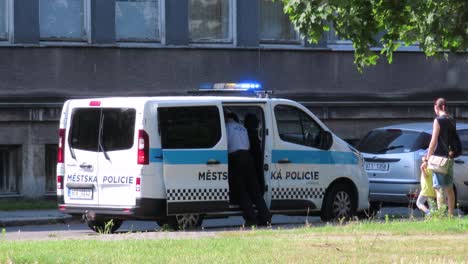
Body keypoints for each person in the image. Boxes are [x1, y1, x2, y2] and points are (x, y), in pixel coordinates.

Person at [225, 110, 271, 226]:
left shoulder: (226, 127)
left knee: (241, 191)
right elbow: (248, 145)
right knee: (255, 190)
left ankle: (251, 219)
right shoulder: (242, 128)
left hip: (236, 158)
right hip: (247, 157)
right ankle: (266, 217)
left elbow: (224, 144)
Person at [421, 98, 456, 216]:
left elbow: (433, 141)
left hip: (439, 159)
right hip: (450, 158)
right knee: (449, 189)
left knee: (438, 188)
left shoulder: (438, 120)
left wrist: (426, 158)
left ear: (437, 107)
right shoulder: (451, 120)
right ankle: (451, 216)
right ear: (444, 107)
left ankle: (441, 216)